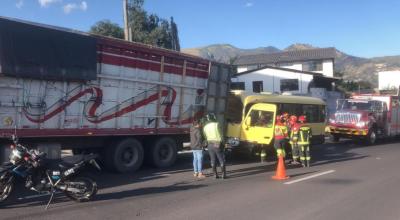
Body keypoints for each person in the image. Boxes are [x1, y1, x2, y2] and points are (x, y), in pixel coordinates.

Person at [202, 113, 226, 179]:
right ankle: (223, 175)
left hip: (210, 144)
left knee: (213, 159)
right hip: (217, 143)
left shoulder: (205, 127)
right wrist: (224, 144)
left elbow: (205, 137)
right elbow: (222, 135)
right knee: (221, 159)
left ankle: (215, 175)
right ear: (213, 118)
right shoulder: (217, 125)